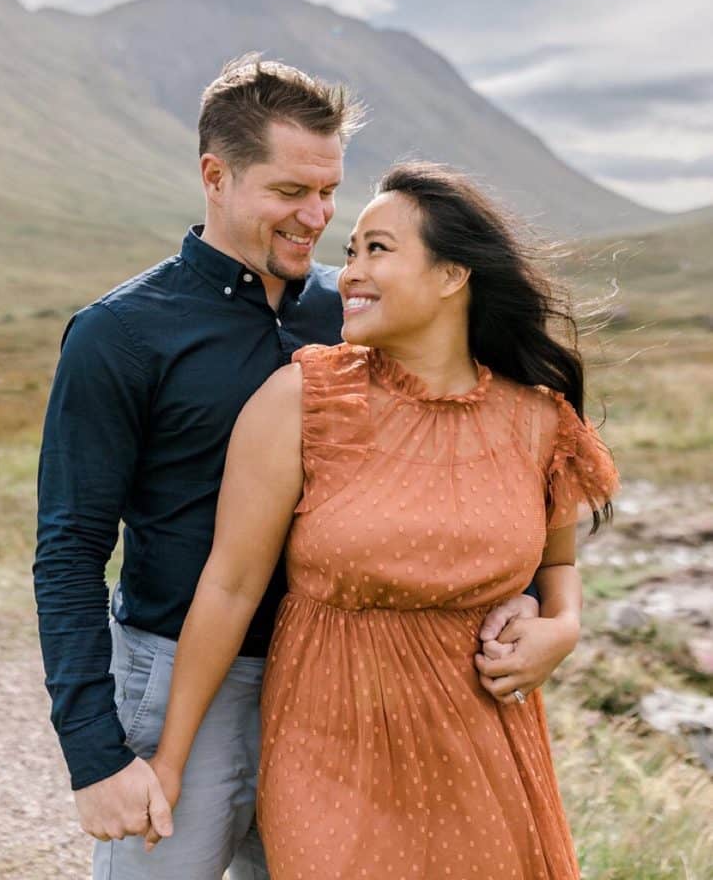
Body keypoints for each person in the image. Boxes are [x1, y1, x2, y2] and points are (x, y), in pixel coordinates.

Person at [35, 56, 575, 880]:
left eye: (328, 192)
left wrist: (542, 613)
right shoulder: (122, 333)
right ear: (215, 177)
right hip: (185, 669)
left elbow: (470, 465)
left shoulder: (359, 309)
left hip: (344, 686)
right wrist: (94, 756)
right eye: (290, 192)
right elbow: (70, 549)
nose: (316, 217)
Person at [146, 162, 619, 878]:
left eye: (377, 249)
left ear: (452, 274)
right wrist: (169, 760)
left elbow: (556, 568)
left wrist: (562, 628)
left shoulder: (537, 420)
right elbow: (231, 586)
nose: (350, 273)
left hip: (483, 751)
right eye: (350, 251)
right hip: (328, 747)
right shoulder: (301, 400)